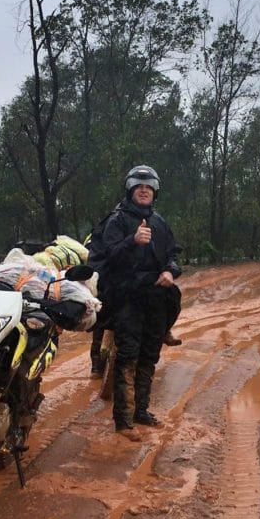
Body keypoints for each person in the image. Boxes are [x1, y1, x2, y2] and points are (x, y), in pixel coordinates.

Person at [97, 165, 181, 441]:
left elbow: (172, 254)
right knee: (128, 356)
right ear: (130, 190)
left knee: (149, 355)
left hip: (155, 297)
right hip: (127, 298)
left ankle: (141, 411)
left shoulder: (159, 222)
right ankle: (123, 421)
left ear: (155, 192)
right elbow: (105, 259)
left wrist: (170, 271)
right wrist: (132, 241)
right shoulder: (117, 221)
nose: (144, 190)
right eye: (138, 186)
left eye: (148, 187)